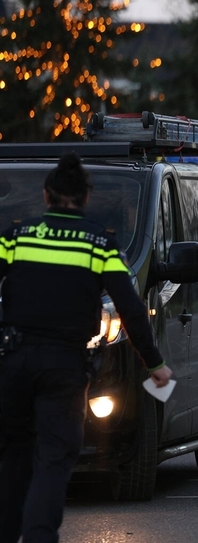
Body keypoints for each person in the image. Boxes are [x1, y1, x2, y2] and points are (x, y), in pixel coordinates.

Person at [0, 153, 173, 543]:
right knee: (55, 456)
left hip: (14, 362)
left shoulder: (16, 236)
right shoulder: (99, 244)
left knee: (13, 453)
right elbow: (130, 308)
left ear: (47, 195)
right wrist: (155, 364)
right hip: (64, 367)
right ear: (85, 199)